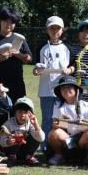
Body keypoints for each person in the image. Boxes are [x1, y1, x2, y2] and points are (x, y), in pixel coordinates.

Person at [33, 16, 71, 150]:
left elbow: (72, 67)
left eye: (57, 28)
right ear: (47, 30)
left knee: (63, 119)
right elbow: (36, 67)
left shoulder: (67, 48)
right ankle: (45, 148)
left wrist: (69, 69)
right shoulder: (41, 48)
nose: (55, 31)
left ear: (62, 30)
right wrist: (36, 71)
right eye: (52, 28)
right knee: (47, 119)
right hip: (46, 90)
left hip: (63, 91)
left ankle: (62, 147)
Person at [0, 7, 32, 103]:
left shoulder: (19, 39)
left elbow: (29, 59)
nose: (9, 24)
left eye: (12, 22)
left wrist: (17, 54)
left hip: (17, 83)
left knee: (17, 114)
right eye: (6, 21)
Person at [47, 75, 88, 167]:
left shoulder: (85, 105)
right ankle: (59, 155)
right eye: (63, 88)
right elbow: (55, 124)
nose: (66, 90)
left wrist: (75, 124)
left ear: (76, 90)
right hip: (67, 138)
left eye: (69, 87)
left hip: (81, 138)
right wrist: (67, 123)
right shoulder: (58, 105)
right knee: (54, 133)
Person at [0, 97, 44, 165]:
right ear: (15, 113)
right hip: (13, 149)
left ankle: (29, 157)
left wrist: (36, 125)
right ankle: (12, 157)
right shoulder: (9, 123)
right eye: (19, 112)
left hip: (26, 149)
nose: (22, 115)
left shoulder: (31, 123)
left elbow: (41, 138)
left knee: (36, 135)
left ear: (31, 114)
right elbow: (1, 140)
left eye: (25, 112)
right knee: (10, 138)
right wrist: (7, 142)